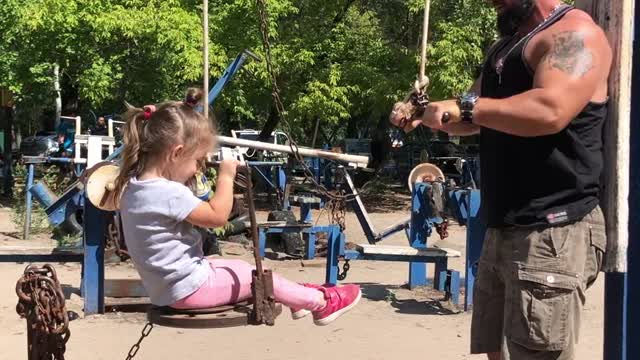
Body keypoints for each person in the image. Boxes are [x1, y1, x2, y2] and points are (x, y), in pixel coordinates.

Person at [390, 0, 610, 359]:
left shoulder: (575, 34)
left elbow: (549, 110)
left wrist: (466, 107)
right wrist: (427, 114)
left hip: (553, 228)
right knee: (497, 351)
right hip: (504, 224)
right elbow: (474, 115)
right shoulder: (506, 46)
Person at [112, 101, 361, 326]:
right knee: (256, 277)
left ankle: (296, 297)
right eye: (197, 160)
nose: (198, 168)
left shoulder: (134, 186)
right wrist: (226, 175)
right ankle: (319, 302)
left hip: (165, 288)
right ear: (176, 153)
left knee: (230, 264)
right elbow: (218, 216)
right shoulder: (167, 192)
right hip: (188, 290)